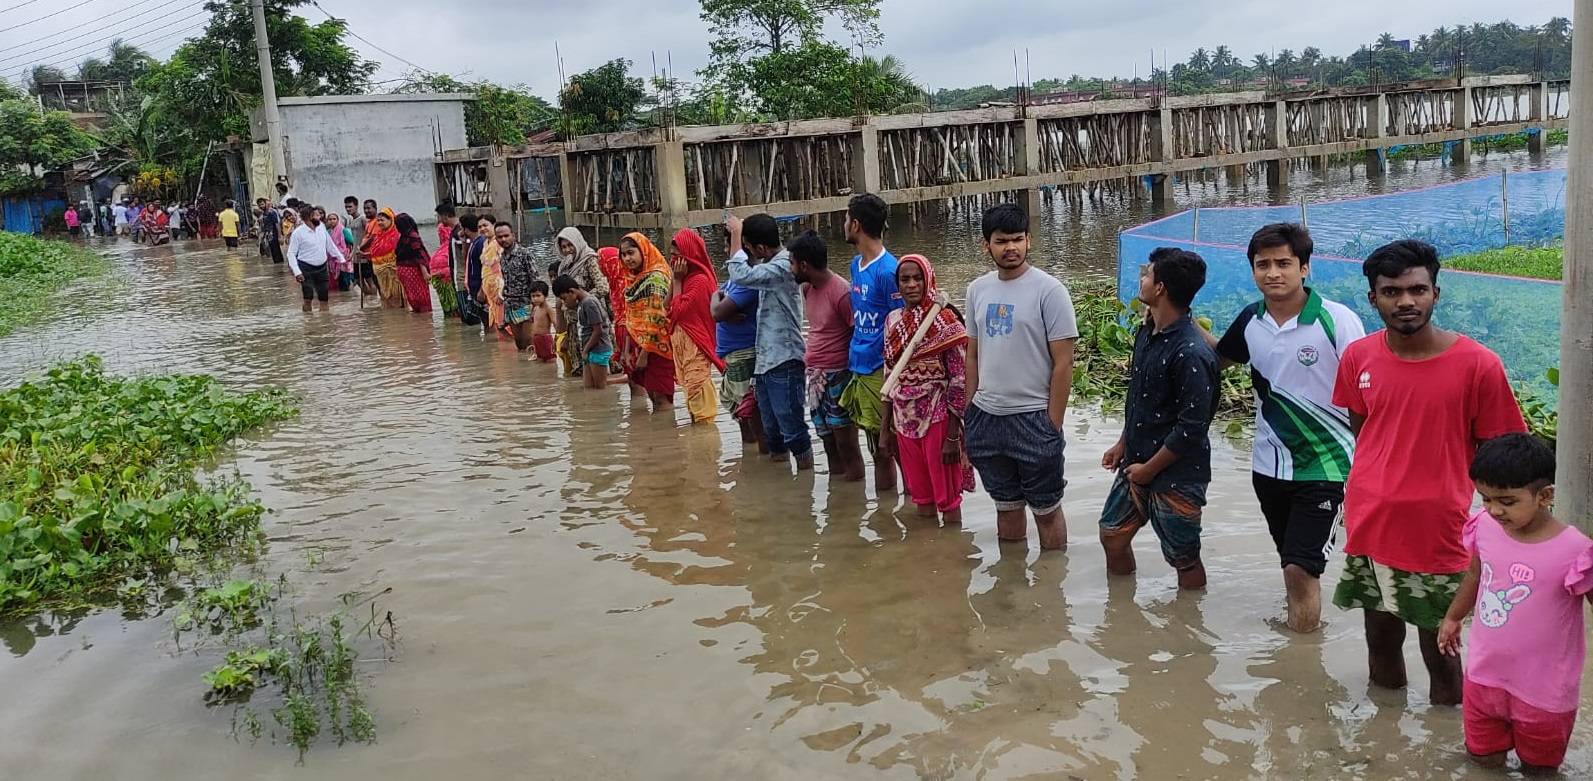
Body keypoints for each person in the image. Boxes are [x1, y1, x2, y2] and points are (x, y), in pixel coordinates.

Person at [1330, 239, 1527, 706]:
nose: (1406, 301)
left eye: (1417, 290)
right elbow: (1366, 431)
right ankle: (1386, 732)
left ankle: (1446, 738)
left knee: (1441, 645)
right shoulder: (1358, 357)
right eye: (1392, 291)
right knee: (1379, 636)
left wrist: (1510, 528)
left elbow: (1503, 458)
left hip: (1441, 531)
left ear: (1436, 293)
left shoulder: (1478, 365)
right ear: (1372, 298)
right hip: (1370, 522)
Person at [1202, 223, 1367, 632]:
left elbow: (1368, 389)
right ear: (1253, 270)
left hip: (1326, 466)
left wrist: (1369, 467)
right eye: (1263, 265)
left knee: (1299, 568)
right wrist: (1178, 318)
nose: (1273, 273)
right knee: (1289, 560)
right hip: (1268, 467)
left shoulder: (1337, 321)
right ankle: (1300, 631)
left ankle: (1303, 656)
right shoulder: (1250, 321)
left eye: (1283, 263)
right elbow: (1221, 359)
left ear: (1305, 268)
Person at [1437, 434, 1593, 774]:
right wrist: (1453, 617)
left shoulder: (1576, 551)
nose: (1494, 510)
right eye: (1486, 498)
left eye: (1506, 501)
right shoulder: (1485, 528)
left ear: (1545, 496)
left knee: (1539, 771)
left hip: (1545, 693)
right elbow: (1476, 574)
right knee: (1481, 761)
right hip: (1483, 677)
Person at [963, 204, 1079, 551]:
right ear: (987, 245)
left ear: (1029, 241)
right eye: (1001, 241)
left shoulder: (1050, 290)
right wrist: (970, 412)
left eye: (1017, 239)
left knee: (1046, 510)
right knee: (1006, 508)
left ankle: (1051, 586)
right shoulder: (977, 290)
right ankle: (1011, 590)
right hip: (987, 417)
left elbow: (1064, 363)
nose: (1010, 247)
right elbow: (972, 354)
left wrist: (1052, 423)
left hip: (1033, 418)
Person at [1100, 247, 1218, 588]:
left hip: (1177, 474)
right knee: (1112, 535)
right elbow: (1138, 395)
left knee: (1184, 559)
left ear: (1161, 288)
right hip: (1137, 460)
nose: (1142, 279)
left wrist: (1149, 469)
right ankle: (1121, 612)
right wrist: (1123, 442)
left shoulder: (1191, 352)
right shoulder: (1146, 333)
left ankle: (1189, 624)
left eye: (1148, 274)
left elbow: (1191, 429)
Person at [881, 253, 972, 523]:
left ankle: (953, 557)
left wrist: (952, 436)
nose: (911, 285)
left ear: (928, 279)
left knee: (948, 498)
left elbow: (959, 379)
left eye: (917, 278)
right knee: (920, 496)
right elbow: (890, 375)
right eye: (904, 279)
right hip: (904, 419)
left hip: (938, 417)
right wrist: (885, 430)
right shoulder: (892, 321)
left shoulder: (943, 320)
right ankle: (928, 556)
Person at [726, 214, 812, 470]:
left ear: (761, 248)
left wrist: (735, 235)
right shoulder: (773, 264)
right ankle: (781, 489)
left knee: (793, 431)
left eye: (750, 248)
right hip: (767, 361)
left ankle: (804, 485)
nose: (748, 253)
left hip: (785, 358)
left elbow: (739, 273)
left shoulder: (784, 265)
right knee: (773, 433)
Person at [839, 193, 904, 489]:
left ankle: (912, 506)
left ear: (856, 224)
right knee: (875, 448)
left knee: (891, 448)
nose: (843, 224)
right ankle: (886, 514)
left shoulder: (889, 271)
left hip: (881, 369)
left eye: (846, 218)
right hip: (859, 365)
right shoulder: (856, 265)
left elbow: (901, 326)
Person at [793, 230, 864, 481]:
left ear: (804, 265)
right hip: (816, 378)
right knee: (827, 440)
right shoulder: (807, 288)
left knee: (846, 444)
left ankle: (855, 498)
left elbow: (857, 333)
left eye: (792, 263)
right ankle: (839, 503)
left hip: (839, 376)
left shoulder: (841, 293)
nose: (789, 269)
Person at [667, 228, 725, 424]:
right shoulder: (684, 280)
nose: (674, 261)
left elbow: (677, 312)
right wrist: (674, 279)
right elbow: (666, 306)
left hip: (695, 350)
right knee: (693, 403)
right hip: (684, 351)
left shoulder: (699, 281)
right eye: (671, 256)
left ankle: (706, 449)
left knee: (701, 408)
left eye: (677, 256)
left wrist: (677, 281)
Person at [619, 232, 677, 409]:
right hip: (639, 344)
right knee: (652, 395)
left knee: (661, 398)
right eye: (624, 254)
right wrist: (627, 350)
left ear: (643, 251)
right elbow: (631, 317)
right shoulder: (632, 279)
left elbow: (658, 320)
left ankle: (666, 434)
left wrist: (645, 353)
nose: (627, 258)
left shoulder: (656, 278)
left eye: (631, 252)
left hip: (658, 347)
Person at [714, 254, 763, 450]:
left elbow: (717, 312)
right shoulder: (734, 282)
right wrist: (716, 299)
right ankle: (750, 457)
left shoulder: (746, 282)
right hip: (733, 354)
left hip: (744, 353)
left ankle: (756, 458)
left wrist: (716, 301)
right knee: (740, 408)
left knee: (748, 410)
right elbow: (717, 299)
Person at [554, 227, 612, 376]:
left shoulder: (589, 260)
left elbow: (603, 287)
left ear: (577, 242)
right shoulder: (565, 264)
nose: (567, 250)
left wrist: (583, 300)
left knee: (599, 365)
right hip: (574, 322)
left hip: (592, 319)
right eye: (564, 247)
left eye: (570, 245)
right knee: (579, 368)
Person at [554, 275, 613, 390]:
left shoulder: (589, 303)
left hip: (598, 349)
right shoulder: (582, 303)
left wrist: (585, 350)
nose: (564, 302)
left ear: (572, 292)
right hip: (590, 349)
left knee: (600, 389)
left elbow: (598, 331)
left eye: (564, 298)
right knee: (588, 388)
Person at [286, 204, 346, 312]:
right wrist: (297, 272)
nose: (320, 217)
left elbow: (330, 245)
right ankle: (308, 322)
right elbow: (291, 254)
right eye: (316, 215)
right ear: (308, 218)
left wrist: (341, 258)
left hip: (322, 267)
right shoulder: (297, 233)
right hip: (305, 268)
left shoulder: (321, 227)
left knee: (324, 297)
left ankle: (324, 322)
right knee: (308, 297)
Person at [495, 221, 543, 351]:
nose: (503, 239)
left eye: (506, 235)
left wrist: (537, 306)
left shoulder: (525, 254)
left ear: (513, 236)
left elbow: (536, 280)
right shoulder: (503, 257)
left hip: (527, 304)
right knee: (520, 344)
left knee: (529, 342)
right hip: (511, 305)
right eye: (499, 237)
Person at [360, 208, 404, 309]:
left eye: (382, 220)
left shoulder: (396, 235)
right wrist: (364, 254)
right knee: (385, 300)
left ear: (391, 220)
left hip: (393, 274)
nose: (379, 223)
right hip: (380, 274)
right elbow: (375, 253)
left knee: (397, 300)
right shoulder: (378, 236)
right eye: (378, 220)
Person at [392, 213, 434, 314]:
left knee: (413, 296)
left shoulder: (403, 238)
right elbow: (419, 255)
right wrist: (425, 272)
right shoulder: (412, 236)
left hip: (403, 271)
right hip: (412, 271)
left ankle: (419, 320)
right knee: (422, 298)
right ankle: (425, 322)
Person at [598, 245, 629, 368]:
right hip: (622, 332)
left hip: (629, 335)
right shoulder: (614, 283)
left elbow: (628, 319)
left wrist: (625, 351)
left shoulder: (624, 285)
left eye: (601, 263)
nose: (599, 268)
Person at [478, 214, 506, 336]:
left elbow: (502, 265)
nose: (482, 228)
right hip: (488, 287)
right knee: (495, 320)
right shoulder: (485, 244)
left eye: (485, 225)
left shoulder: (498, 242)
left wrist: (501, 289)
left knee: (502, 321)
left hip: (498, 286)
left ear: (493, 225)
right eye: (479, 227)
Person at [431, 203, 461, 319]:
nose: (438, 220)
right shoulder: (453, 234)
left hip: (457, 277)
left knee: (458, 310)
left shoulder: (459, 233)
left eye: (438, 216)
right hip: (452, 276)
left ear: (445, 216)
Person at [325, 212, 356, 291]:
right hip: (332, 260)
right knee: (336, 282)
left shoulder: (343, 230)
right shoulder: (328, 232)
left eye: (334, 219)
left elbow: (352, 242)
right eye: (330, 219)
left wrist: (351, 254)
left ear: (338, 220)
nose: (332, 221)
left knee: (345, 280)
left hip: (344, 259)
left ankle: (347, 298)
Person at [529, 280, 557, 362]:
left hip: (546, 339)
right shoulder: (535, 308)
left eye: (538, 295)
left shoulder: (548, 309)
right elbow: (533, 324)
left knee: (551, 360)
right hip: (536, 340)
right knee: (539, 362)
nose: (535, 298)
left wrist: (556, 339)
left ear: (546, 295)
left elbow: (555, 324)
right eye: (533, 296)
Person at [258, 198, 284, 264]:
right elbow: (264, 227)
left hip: (274, 235)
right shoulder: (264, 214)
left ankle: (280, 268)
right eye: (259, 205)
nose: (261, 206)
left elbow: (277, 224)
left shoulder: (271, 212)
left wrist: (279, 236)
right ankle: (278, 268)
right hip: (269, 236)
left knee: (276, 252)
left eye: (262, 204)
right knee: (273, 253)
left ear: (266, 204)